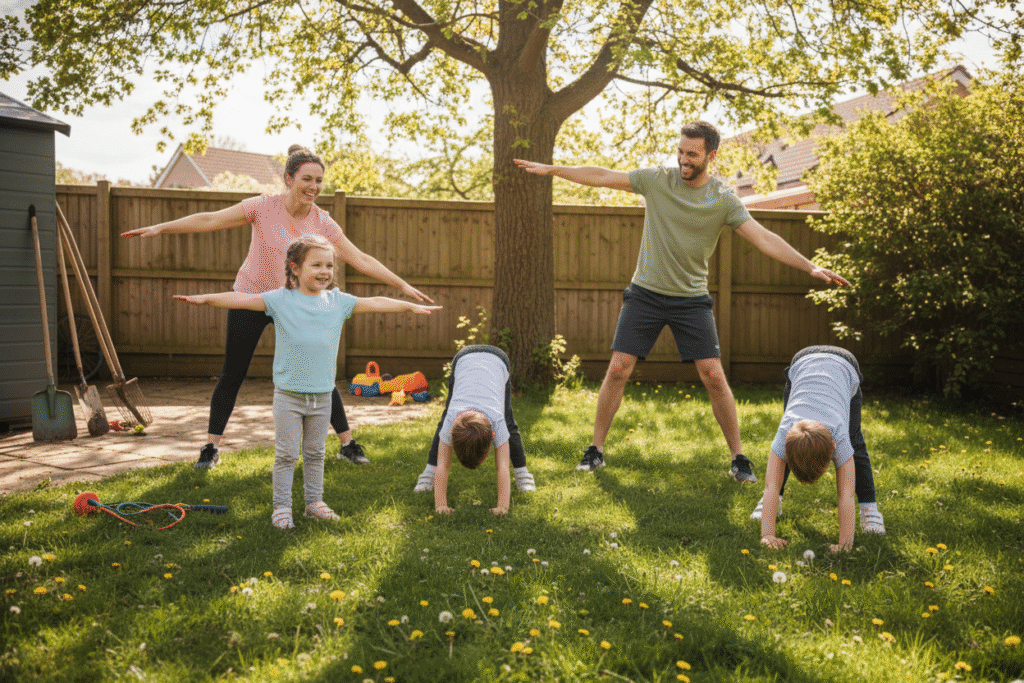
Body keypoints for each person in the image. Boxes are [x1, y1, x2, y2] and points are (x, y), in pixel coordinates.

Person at [514, 121, 850, 481]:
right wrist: (554, 170)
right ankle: (595, 450)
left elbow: (763, 237)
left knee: (714, 377)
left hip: (690, 300)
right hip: (645, 294)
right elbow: (602, 176)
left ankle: (738, 458)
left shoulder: (722, 200)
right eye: (681, 151)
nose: (683, 159)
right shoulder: (658, 181)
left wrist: (809, 266)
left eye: (692, 154)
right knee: (617, 369)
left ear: (711, 155)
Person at [123, 145, 433, 470]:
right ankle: (210, 448)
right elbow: (211, 219)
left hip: (296, 304)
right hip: (252, 297)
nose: (314, 186)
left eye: (319, 180)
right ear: (289, 178)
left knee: (318, 374)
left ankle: (347, 443)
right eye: (307, 179)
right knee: (233, 374)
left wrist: (402, 285)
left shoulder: (323, 222)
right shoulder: (261, 207)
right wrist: (161, 227)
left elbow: (360, 258)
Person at [174, 235, 440, 528]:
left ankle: (314, 503)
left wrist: (407, 307)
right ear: (295, 269)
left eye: (329, 265)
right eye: (316, 265)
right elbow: (241, 299)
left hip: (322, 396)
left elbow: (374, 302)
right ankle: (282, 507)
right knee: (287, 454)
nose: (324, 271)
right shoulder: (280, 299)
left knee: (315, 454)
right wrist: (204, 299)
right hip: (288, 397)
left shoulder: (338, 302)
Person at [754, 345, 885, 553]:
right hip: (801, 364)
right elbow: (770, 485)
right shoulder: (785, 434)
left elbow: (846, 495)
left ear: (833, 448)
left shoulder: (840, 437)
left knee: (856, 444)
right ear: (786, 450)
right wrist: (767, 535)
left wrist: (845, 544)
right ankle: (773, 504)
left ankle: (870, 509)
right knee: (775, 481)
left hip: (845, 367)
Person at [413, 345, 536, 516]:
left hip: (498, 361)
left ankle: (523, 474)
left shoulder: (497, 421)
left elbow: (502, 467)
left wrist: (503, 507)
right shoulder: (451, 422)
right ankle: (428, 473)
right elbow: (443, 465)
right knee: (443, 421)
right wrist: (440, 504)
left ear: (492, 436)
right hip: (463, 360)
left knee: (509, 421)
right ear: (453, 438)